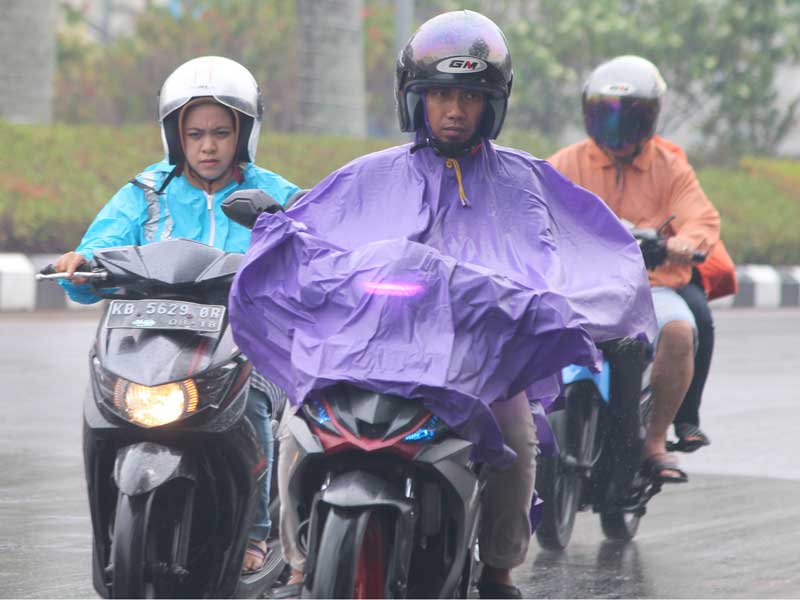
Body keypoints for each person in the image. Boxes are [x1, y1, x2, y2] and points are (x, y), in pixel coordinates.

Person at [229, 12, 655, 599]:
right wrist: (277, 232)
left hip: (476, 361)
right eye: (440, 95)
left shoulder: (525, 185)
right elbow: (310, 234)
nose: (454, 110)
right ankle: (299, 566)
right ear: (414, 100)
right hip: (366, 349)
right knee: (294, 425)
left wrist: (569, 304)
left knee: (518, 434)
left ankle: (499, 571)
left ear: (492, 105)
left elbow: (582, 253)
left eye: (470, 97)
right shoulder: (366, 175)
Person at [53, 56, 299, 574]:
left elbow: (317, 242)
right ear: (174, 136)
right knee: (102, 400)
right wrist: (80, 264)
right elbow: (99, 249)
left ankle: (257, 534)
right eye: (194, 134)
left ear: (244, 134)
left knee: (253, 404)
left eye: (220, 132)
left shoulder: (275, 195)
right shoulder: (144, 194)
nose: (207, 146)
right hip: (154, 345)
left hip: (247, 345)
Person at [548, 55, 721, 482]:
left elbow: (702, 219)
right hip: (580, 286)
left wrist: (685, 242)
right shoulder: (565, 163)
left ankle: (655, 441)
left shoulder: (670, 166)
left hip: (650, 286)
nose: (616, 130)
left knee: (681, 330)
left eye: (628, 118)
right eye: (604, 116)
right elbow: (530, 208)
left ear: (650, 119)